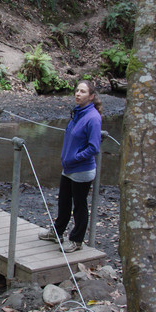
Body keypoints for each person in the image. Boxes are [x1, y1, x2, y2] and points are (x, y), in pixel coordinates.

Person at [39, 80, 103, 253]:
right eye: (77, 91)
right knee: (64, 202)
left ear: (91, 96)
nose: (78, 94)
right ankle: (57, 232)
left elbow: (94, 147)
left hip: (82, 169)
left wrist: (75, 158)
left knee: (79, 205)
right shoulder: (77, 113)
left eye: (82, 92)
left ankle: (76, 240)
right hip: (68, 167)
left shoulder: (93, 118)